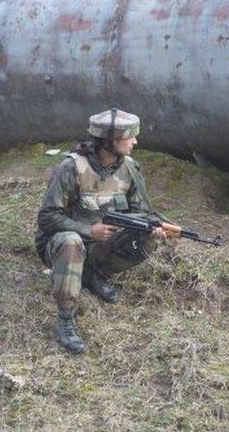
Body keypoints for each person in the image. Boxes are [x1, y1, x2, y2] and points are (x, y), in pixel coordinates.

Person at [35, 109, 167, 354]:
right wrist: (87, 230)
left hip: (101, 244)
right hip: (63, 246)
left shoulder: (129, 168)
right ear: (110, 141)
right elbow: (47, 218)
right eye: (129, 137)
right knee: (71, 242)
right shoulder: (71, 168)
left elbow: (141, 211)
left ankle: (92, 275)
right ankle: (65, 319)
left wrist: (151, 228)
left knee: (147, 238)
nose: (135, 142)